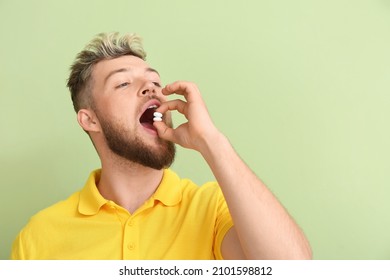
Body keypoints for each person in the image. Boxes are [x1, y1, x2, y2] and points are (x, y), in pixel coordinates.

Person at [11, 32, 312, 260]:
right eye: (123, 84)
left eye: (154, 81)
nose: (151, 88)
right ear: (90, 120)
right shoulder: (38, 237)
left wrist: (211, 141)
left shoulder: (210, 208)